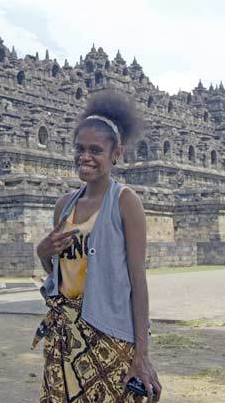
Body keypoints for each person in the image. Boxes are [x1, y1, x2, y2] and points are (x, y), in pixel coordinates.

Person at [33, 89, 162, 403]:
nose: (85, 157)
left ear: (115, 153)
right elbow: (60, 273)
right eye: (80, 148)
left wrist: (142, 354)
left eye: (96, 150)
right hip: (64, 331)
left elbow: (138, 281)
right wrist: (43, 252)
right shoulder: (64, 205)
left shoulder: (125, 202)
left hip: (109, 331)